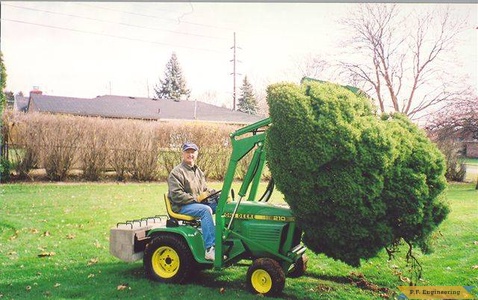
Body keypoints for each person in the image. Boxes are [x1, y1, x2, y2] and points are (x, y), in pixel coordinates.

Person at [167, 142, 218, 261]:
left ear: (197, 154)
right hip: (182, 206)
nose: (190, 154)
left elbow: (204, 190)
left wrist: (213, 193)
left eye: (193, 152)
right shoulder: (176, 172)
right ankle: (210, 249)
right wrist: (196, 199)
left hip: (196, 204)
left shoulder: (198, 171)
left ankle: (223, 242)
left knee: (223, 206)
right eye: (187, 152)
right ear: (183, 154)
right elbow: (176, 195)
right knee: (206, 210)